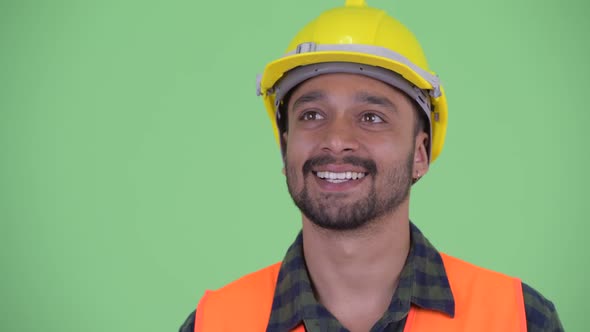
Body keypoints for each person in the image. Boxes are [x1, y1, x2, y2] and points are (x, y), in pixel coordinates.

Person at [180, 0, 563, 331]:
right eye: (312, 115)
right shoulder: (212, 324)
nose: (336, 139)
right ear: (284, 149)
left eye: (372, 117)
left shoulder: (521, 320)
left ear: (420, 153)